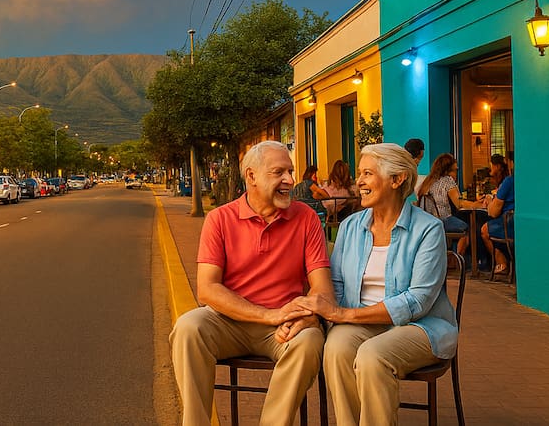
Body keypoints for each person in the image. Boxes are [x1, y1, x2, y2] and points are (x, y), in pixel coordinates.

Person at [170, 140, 332, 426]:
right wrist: (268, 315)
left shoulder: (306, 218)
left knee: (309, 342)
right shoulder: (220, 219)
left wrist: (307, 315)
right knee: (188, 328)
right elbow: (207, 289)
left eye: (290, 172)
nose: (289, 181)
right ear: (251, 176)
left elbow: (322, 289)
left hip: (285, 329)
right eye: (278, 172)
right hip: (229, 322)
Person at [295, 143, 458, 425]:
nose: (359, 182)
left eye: (368, 174)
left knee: (373, 355)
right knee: (336, 348)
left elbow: (419, 300)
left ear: (397, 179)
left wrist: (346, 315)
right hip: (361, 320)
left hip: (420, 326)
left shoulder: (428, 229)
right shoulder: (350, 227)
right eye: (360, 174)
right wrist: (327, 316)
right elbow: (335, 283)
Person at [415, 153, 486, 258]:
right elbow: (459, 203)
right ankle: (457, 260)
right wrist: (476, 204)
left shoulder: (428, 181)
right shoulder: (448, 180)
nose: (456, 173)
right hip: (443, 220)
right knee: (466, 228)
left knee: (458, 220)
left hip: (427, 220)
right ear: (448, 170)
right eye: (455, 170)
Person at [480, 157, 515, 275]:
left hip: (509, 223)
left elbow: (493, 212)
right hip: (519, 222)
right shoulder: (521, 180)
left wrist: (489, 201)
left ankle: (501, 263)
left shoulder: (509, 181)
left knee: (485, 230)